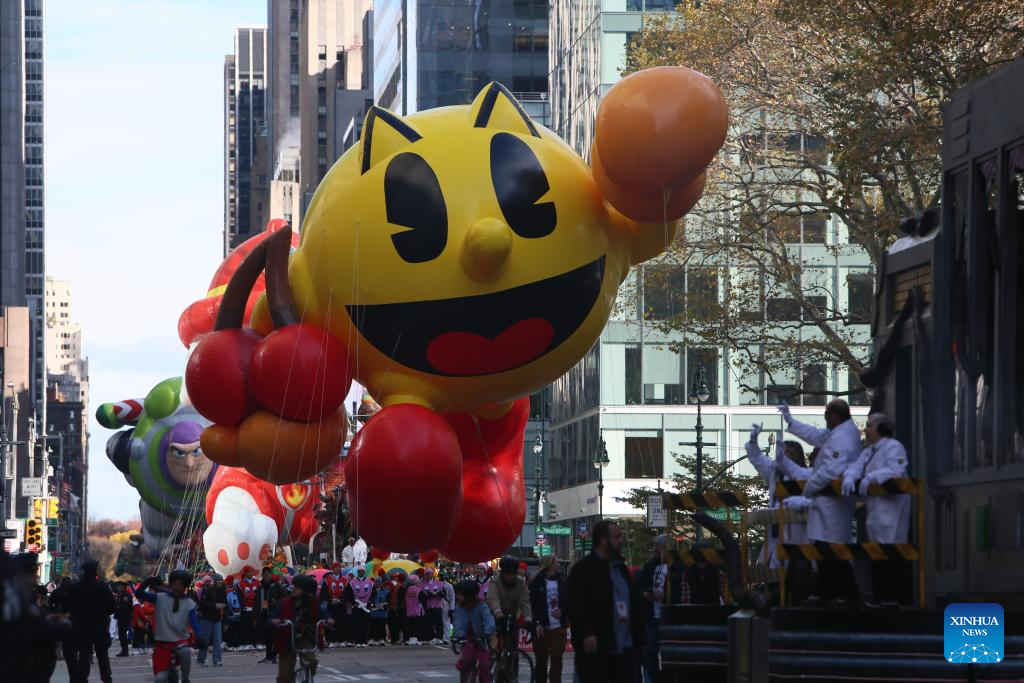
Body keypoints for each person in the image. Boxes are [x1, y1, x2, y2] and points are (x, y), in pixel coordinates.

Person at [777, 399, 862, 605]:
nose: (825, 420)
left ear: (834, 416)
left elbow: (832, 468)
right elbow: (815, 435)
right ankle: (829, 592)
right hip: (826, 501)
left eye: (826, 416)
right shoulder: (838, 433)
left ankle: (844, 594)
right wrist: (791, 420)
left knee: (833, 549)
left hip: (833, 501)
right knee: (824, 548)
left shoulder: (844, 437)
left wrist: (809, 488)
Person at [842, 413, 912, 606]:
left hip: (891, 508)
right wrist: (850, 476)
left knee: (889, 551)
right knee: (876, 552)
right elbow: (857, 465)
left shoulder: (894, 447)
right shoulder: (870, 450)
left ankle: (890, 597)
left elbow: (897, 470)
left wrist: (872, 477)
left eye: (870, 426)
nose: (866, 429)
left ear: (882, 429)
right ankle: (879, 597)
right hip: (876, 509)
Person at [567, 519, 644, 682]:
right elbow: (576, 606)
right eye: (617, 537)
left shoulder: (621, 569)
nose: (620, 541)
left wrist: (639, 640)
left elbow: (633, 605)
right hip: (598, 652)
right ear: (603, 540)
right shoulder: (583, 570)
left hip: (625, 651)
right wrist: (586, 633)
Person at [747, 425, 814, 604]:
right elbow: (757, 458)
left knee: (797, 569)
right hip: (775, 531)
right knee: (775, 568)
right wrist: (754, 441)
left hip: (798, 530)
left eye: (789, 454)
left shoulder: (806, 475)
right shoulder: (774, 472)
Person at [136, 570, 200, 683]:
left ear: (185, 587)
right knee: (160, 679)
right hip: (162, 643)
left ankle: (185, 678)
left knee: (185, 652)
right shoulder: (160, 597)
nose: (177, 587)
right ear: (171, 584)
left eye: (181, 585)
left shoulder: (189, 603)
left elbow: (194, 623)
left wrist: (201, 637)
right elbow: (139, 594)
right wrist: (145, 583)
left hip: (180, 641)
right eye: (175, 584)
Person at [61, 559, 116, 683]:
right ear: (96, 571)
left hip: (81, 628)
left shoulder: (75, 587)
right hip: (100, 627)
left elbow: (65, 608)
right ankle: (107, 679)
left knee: (84, 655)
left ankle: (82, 678)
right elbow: (112, 608)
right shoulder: (103, 587)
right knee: (102, 656)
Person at [270, 574, 332, 683]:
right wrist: (275, 620)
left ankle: (308, 676)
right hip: (287, 639)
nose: (293, 589)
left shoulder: (313, 602)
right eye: (294, 586)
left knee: (311, 661)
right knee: (284, 676)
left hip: (305, 637)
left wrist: (328, 619)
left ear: (306, 591)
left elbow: (323, 613)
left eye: (297, 587)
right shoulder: (284, 602)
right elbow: (272, 618)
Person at [529, 555, 568, 683]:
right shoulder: (535, 583)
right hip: (541, 628)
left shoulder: (562, 582)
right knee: (541, 662)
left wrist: (562, 610)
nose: (559, 565)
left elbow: (568, 602)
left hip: (558, 627)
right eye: (556, 563)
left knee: (557, 660)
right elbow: (529, 606)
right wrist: (536, 623)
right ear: (549, 565)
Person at [636, 536, 669, 683]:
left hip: (668, 618)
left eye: (658, 546)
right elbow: (638, 587)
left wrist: (665, 594)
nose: (655, 549)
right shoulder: (649, 566)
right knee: (650, 654)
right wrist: (645, 594)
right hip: (651, 617)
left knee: (669, 653)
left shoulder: (676, 566)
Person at [453, 579, 497, 683]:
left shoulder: (481, 606)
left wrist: (487, 632)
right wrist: (459, 635)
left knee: (484, 664)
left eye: (459, 594)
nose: (457, 596)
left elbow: (488, 619)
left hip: (481, 639)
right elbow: (457, 622)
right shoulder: (459, 607)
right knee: (464, 662)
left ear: (467, 595)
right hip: (467, 639)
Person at [484, 555, 532, 650]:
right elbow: (493, 598)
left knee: (513, 646)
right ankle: (493, 656)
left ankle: (513, 662)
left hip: (511, 614)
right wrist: (498, 613)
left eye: (514, 573)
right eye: (508, 573)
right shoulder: (495, 581)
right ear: (503, 572)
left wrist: (528, 619)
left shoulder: (520, 582)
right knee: (495, 644)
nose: (511, 576)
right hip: (495, 614)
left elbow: (525, 601)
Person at [196, 574, 227, 668]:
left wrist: (225, 621)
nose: (219, 583)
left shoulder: (223, 591)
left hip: (217, 619)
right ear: (215, 581)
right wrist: (215, 605)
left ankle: (217, 660)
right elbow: (202, 604)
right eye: (218, 581)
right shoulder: (208, 590)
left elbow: (226, 606)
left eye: (221, 581)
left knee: (217, 640)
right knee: (205, 640)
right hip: (206, 618)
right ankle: (201, 660)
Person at [257, 568, 284, 663]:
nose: (266, 576)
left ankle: (274, 656)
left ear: (271, 574)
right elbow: (256, 602)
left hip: (274, 614)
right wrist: (255, 616)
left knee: (274, 636)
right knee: (267, 637)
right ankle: (268, 656)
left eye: (268, 574)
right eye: (264, 574)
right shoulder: (260, 586)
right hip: (264, 613)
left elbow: (284, 598)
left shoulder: (276, 585)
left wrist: (276, 603)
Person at [321, 562, 349, 645]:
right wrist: (330, 600)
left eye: (339, 567)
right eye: (336, 567)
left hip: (341, 605)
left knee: (341, 622)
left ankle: (342, 640)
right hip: (331, 605)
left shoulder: (344, 580)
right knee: (331, 622)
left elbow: (347, 593)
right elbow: (323, 593)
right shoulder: (327, 580)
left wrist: (340, 600)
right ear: (332, 569)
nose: (338, 569)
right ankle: (332, 640)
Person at [347, 566, 374, 647]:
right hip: (357, 607)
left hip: (366, 607)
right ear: (357, 572)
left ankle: (364, 641)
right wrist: (354, 603)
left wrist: (369, 602)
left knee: (365, 625)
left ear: (364, 572)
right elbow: (348, 594)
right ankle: (358, 641)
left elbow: (373, 594)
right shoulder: (352, 583)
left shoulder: (370, 582)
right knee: (357, 625)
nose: (361, 572)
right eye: (359, 571)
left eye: (362, 571)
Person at [421, 568, 446, 644]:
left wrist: (439, 594)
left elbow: (444, 593)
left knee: (438, 622)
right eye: (426, 574)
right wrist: (428, 595)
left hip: (437, 606)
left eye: (428, 574)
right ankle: (431, 637)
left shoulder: (439, 583)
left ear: (432, 575)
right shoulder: (423, 584)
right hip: (428, 607)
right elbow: (421, 595)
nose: (427, 576)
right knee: (429, 623)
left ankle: (439, 637)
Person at [237, 567, 260, 649]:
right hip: (246, 608)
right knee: (246, 626)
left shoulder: (257, 583)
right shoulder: (240, 584)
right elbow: (239, 597)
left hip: (255, 608)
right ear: (245, 573)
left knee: (256, 626)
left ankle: (257, 643)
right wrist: (243, 606)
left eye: (251, 572)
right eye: (249, 572)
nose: (251, 573)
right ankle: (247, 643)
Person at [368, 572, 390, 645]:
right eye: (376, 582)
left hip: (382, 613)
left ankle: (382, 639)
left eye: (378, 582)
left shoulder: (386, 592)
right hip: (373, 613)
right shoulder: (370, 592)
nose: (377, 583)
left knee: (381, 626)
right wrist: (374, 605)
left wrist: (383, 606)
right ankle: (372, 639)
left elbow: (387, 602)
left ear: (381, 583)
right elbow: (369, 601)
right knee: (373, 627)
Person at [114, 581, 135, 657]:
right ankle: (124, 650)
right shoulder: (121, 595)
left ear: (123, 586)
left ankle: (125, 651)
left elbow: (125, 609)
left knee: (122, 635)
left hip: (124, 618)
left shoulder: (125, 595)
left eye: (119, 586)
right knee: (121, 635)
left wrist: (119, 615)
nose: (118, 588)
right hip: (122, 618)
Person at [404, 574, 425, 645]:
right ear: (416, 582)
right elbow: (422, 599)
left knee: (410, 626)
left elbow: (406, 600)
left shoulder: (408, 590)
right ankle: (414, 639)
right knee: (416, 626)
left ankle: (410, 639)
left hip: (409, 611)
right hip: (416, 610)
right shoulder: (418, 590)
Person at [388, 573, 406, 645]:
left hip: (394, 607)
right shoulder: (401, 586)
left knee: (394, 624)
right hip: (398, 608)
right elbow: (402, 598)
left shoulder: (397, 585)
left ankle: (394, 639)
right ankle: (396, 639)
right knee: (398, 624)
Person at [223, 576, 241, 649]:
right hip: (232, 614)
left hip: (241, 614)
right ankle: (231, 644)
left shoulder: (241, 594)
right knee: (232, 627)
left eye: (237, 586)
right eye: (235, 586)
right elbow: (227, 605)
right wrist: (232, 613)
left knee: (240, 628)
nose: (236, 587)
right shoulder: (229, 594)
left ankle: (238, 644)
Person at [440, 571, 456, 644]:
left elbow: (452, 598)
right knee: (440, 622)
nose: (441, 577)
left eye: (442, 575)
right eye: (440, 575)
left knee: (446, 622)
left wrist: (451, 609)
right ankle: (441, 636)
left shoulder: (449, 586)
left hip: (446, 605)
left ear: (445, 576)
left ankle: (447, 638)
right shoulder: (436, 584)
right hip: (437, 605)